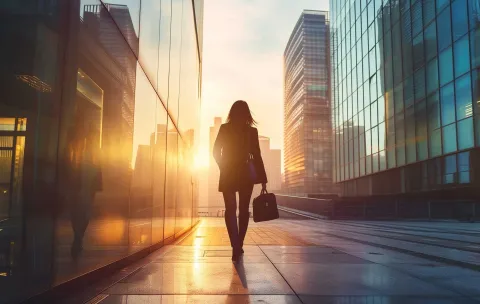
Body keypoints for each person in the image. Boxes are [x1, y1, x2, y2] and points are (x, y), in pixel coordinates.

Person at [213, 100, 268, 262]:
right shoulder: (251, 131)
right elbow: (257, 156)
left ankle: (235, 246)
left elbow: (215, 151)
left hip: (228, 173)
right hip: (245, 174)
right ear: (247, 113)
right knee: (243, 210)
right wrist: (263, 179)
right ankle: (238, 245)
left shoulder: (225, 128)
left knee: (230, 209)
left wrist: (223, 166)